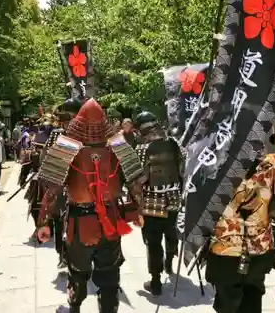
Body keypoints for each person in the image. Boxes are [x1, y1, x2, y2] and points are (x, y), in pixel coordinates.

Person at [37, 98, 145, 313]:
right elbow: (135, 183)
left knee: (78, 274)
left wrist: (44, 222)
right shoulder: (118, 145)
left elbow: (52, 190)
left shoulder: (65, 145)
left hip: (80, 221)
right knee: (109, 276)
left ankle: (75, 307)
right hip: (111, 221)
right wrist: (137, 211)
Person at [206, 154, 275, 313]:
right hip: (258, 245)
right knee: (253, 295)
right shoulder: (273, 166)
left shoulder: (214, 167)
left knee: (227, 298)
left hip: (225, 247)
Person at [134, 111, 184, 295]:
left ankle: (156, 281)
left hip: (152, 203)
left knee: (153, 242)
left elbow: (140, 179)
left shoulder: (142, 149)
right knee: (171, 232)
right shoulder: (174, 144)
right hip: (173, 199)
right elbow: (182, 169)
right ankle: (169, 263)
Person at [37, 97, 82, 268]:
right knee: (59, 219)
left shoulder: (61, 134)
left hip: (69, 186)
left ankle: (65, 254)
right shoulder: (86, 134)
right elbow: (45, 159)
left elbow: (44, 159)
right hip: (70, 186)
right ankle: (64, 254)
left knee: (62, 219)